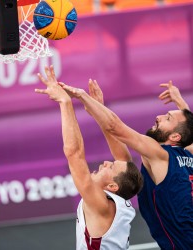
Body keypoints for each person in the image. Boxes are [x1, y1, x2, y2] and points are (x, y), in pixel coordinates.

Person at [60, 78, 193, 249]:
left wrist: (82, 96)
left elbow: (115, 127)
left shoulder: (160, 155)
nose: (159, 117)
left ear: (175, 137)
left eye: (167, 118)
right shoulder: (188, 152)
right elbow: (188, 130)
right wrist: (180, 103)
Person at [35, 66, 143, 250]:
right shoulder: (119, 198)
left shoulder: (101, 204)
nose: (106, 162)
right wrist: (98, 107)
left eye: (110, 167)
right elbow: (123, 159)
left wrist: (65, 102)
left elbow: (74, 154)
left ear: (112, 186)